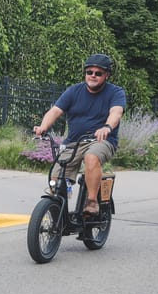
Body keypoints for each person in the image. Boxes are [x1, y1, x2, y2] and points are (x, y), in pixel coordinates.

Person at [33, 54, 127, 216]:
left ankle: (91, 201)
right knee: (56, 181)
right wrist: (43, 127)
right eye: (89, 72)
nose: (93, 75)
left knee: (91, 157)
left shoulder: (115, 92)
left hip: (102, 141)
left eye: (98, 73)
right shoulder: (74, 91)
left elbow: (116, 112)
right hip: (74, 143)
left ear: (106, 75)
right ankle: (57, 212)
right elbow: (55, 111)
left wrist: (107, 127)